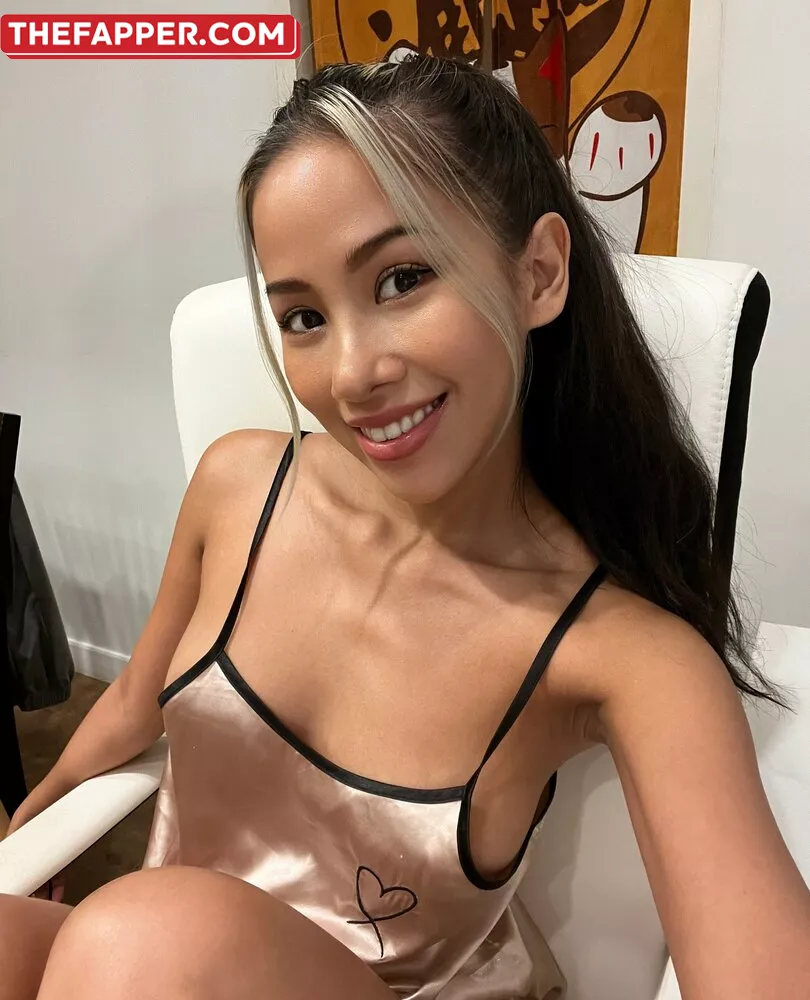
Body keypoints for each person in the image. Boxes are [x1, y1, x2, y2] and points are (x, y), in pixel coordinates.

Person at [1, 54, 809, 1000]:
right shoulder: (237, 486)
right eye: (303, 317)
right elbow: (135, 702)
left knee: (141, 939)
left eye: (401, 279)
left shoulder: (627, 657)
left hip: (297, 977)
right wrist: (30, 827)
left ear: (540, 273)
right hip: (159, 968)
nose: (351, 375)